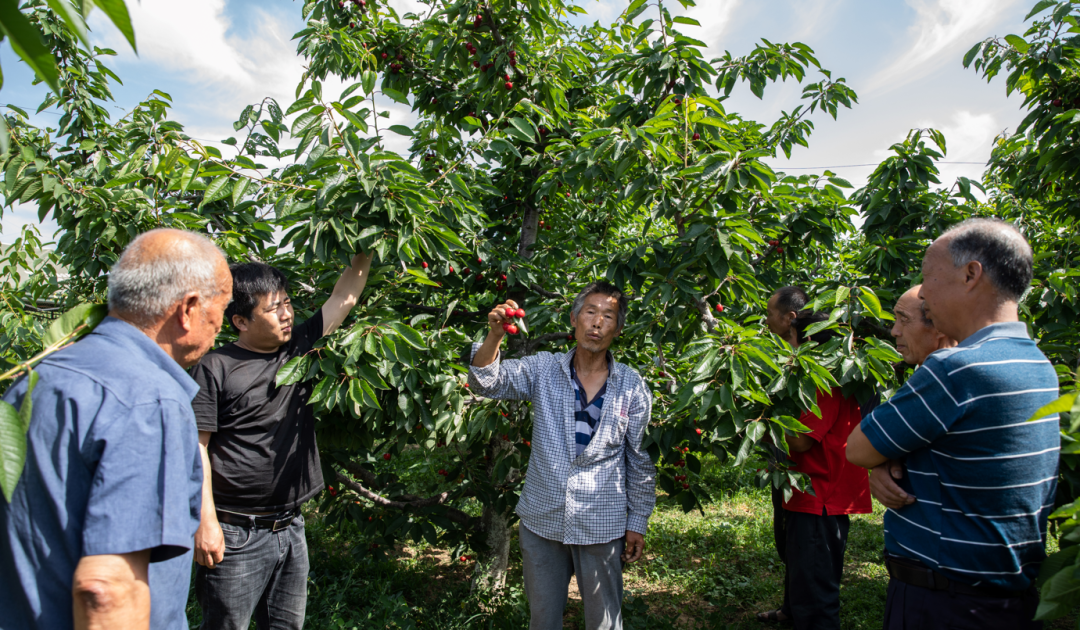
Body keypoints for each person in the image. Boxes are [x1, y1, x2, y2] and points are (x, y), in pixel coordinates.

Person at [0, 229, 232, 630]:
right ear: (189, 308)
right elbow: (106, 589)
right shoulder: (149, 401)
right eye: (222, 309)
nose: (220, 326)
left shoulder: (36, 379)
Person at [848, 218, 1058, 629]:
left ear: (970, 274)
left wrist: (880, 460)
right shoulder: (1038, 363)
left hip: (944, 601)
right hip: (1007, 599)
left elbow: (858, 447)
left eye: (928, 277)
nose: (924, 292)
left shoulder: (957, 368)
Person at [190, 251, 372, 630]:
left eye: (287, 303)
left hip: (290, 527)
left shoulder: (299, 348)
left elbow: (344, 296)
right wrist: (205, 522)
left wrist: (368, 242)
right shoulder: (215, 367)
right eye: (274, 309)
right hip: (236, 532)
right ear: (240, 320)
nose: (287, 314)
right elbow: (196, 448)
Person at [468, 281, 655, 630]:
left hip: (602, 524)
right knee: (543, 619)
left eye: (608, 316)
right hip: (542, 520)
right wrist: (495, 336)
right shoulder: (543, 370)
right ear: (573, 318)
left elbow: (640, 459)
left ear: (619, 328)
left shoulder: (632, 386)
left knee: (604, 623)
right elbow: (485, 382)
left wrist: (637, 520)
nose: (597, 322)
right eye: (590, 312)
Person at [756, 289, 872, 630]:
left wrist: (760, 421)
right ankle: (792, 611)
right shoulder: (811, 372)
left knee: (816, 586)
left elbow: (802, 441)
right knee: (801, 565)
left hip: (821, 494)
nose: (766, 321)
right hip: (805, 490)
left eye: (770, 314)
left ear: (794, 327)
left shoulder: (824, 379)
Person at [869, 284, 956, 510]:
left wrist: (880, 455)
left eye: (904, 320)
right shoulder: (925, 372)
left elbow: (860, 449)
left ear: (939, 325)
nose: (894, 331)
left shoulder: (943, 378)